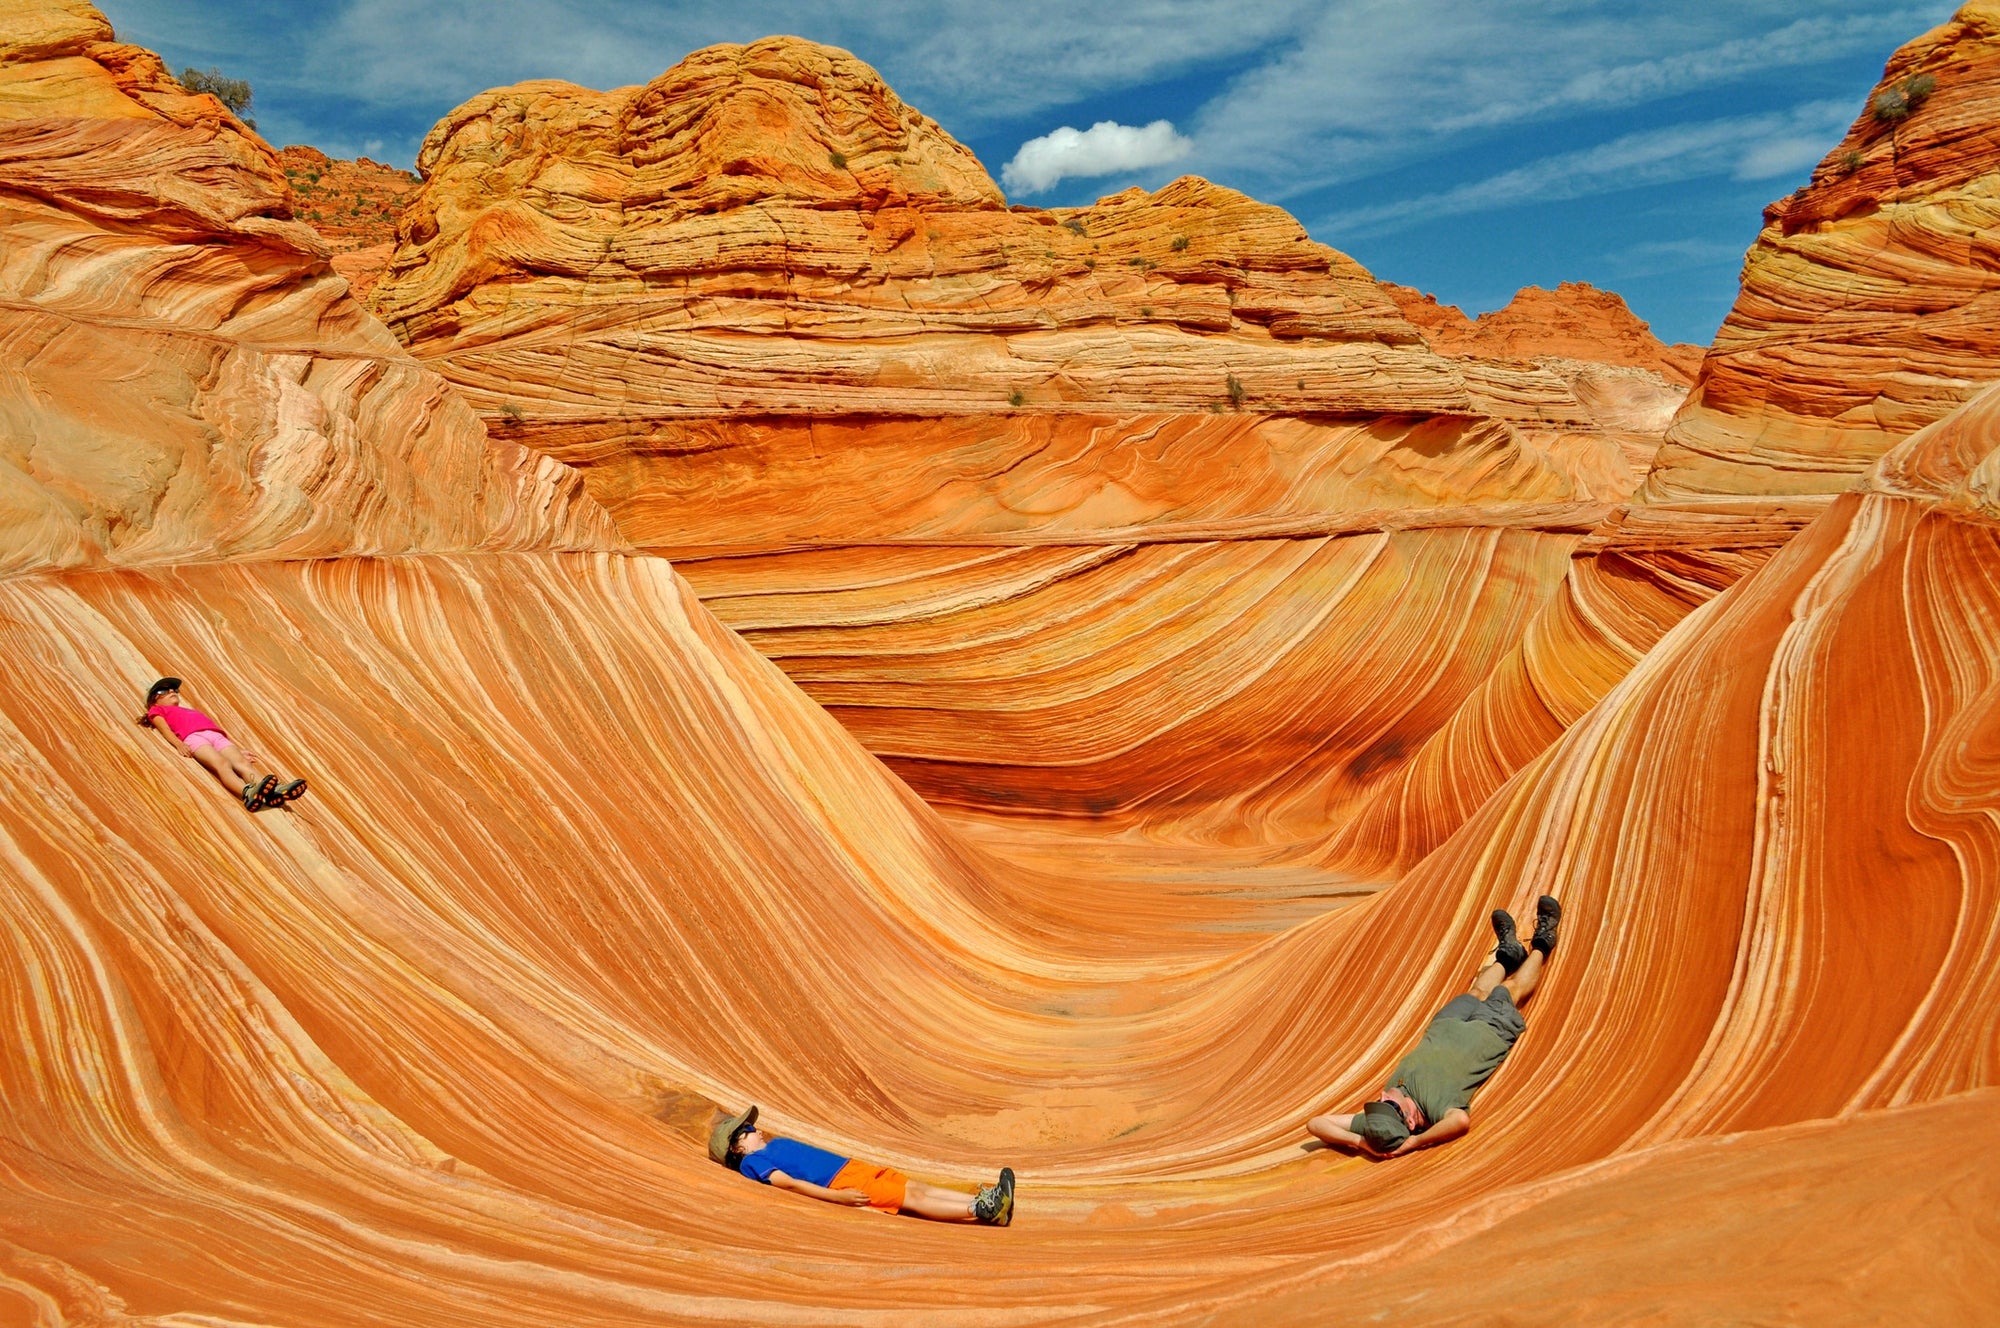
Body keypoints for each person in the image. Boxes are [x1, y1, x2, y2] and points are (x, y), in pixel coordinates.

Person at [1308, 896, 1561, 1157]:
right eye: (1391, 1106)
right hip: (1488, 1032)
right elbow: (1460, 1122)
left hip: (1445, 1025)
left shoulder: (1377, 1119)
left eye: (1379, 1104)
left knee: (1476, 991)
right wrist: (1415, 1143)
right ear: (1409, 1121)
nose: (1383, 1098)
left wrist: (1361, 1143)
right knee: (1509, 989)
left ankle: (1509, 955)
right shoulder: (1436, 1109)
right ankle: (1544, 941)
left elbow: (1316, 1123)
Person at [709, 1105, 1015, 1226]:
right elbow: (789, 1183)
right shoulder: (753, 1162)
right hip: (839, 1182)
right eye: (748, 1131)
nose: (756, 1130)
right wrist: (838, 1197)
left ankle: (986, 1203)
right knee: (913, 1200)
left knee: (915, 1187)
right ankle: (980, 1210)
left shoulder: (768, 1147)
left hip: (851, 1167)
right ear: (736, 1146)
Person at [138, 677, 307, 812]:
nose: (171, 692)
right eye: (163, 691)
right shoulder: (157, 711)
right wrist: (178, 744)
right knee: (222, 764)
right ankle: (247, 793)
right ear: (153, 701)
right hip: (194, 738)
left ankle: (274, 791)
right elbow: (164, 728)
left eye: (174, 690)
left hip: (216, 737)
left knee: (242, 763)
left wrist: (239, 750)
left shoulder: (188, 710)